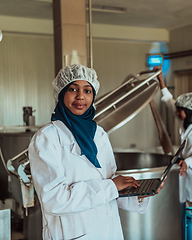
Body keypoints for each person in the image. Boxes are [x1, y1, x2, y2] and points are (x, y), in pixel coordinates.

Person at [28, 64, 164, 240]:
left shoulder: (99, 134)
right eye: (73, 89)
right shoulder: (47, 138)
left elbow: (110, 184)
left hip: (109, 231)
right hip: (72, 234)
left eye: (87, 90)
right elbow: (55, 200)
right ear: (61, 93)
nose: (81, 96)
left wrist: (138, 194)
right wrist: (111, 186)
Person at [153, 66, 192, 240]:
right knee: (190, 210)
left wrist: (188, 162)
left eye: (180, 111)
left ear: (189, 111)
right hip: (186, 172)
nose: (177, 113)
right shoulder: (188, 118)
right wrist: (161, 81)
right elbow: (170, 102)